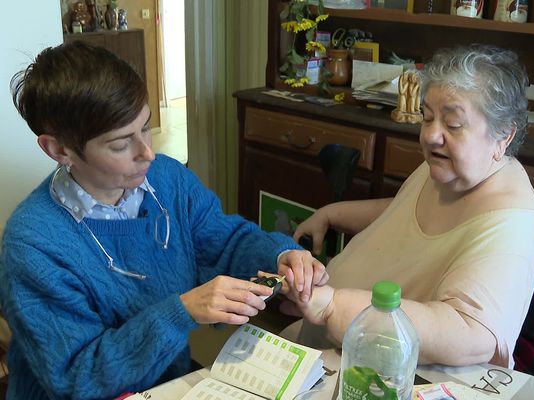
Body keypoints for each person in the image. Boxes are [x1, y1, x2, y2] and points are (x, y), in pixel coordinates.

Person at [0, 41, 327, 400]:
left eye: (146, 127)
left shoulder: (168, 179)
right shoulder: (32, 246)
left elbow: (226, 241)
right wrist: (180, 312)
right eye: (122, 143)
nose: (148, 152)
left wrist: (281, 257)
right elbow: (78, 378)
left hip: (164, 383)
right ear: (59, 150)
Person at [281, 44, 534, 369]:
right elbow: (403, 212)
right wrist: (331, 214)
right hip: (328, 341)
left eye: (453, 124)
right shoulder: (450, 167)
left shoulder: (511, 222)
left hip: (375, 372)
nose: (431, 135)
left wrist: (333, 305)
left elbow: (470, 334)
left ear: (503, 136)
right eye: (427, 116)